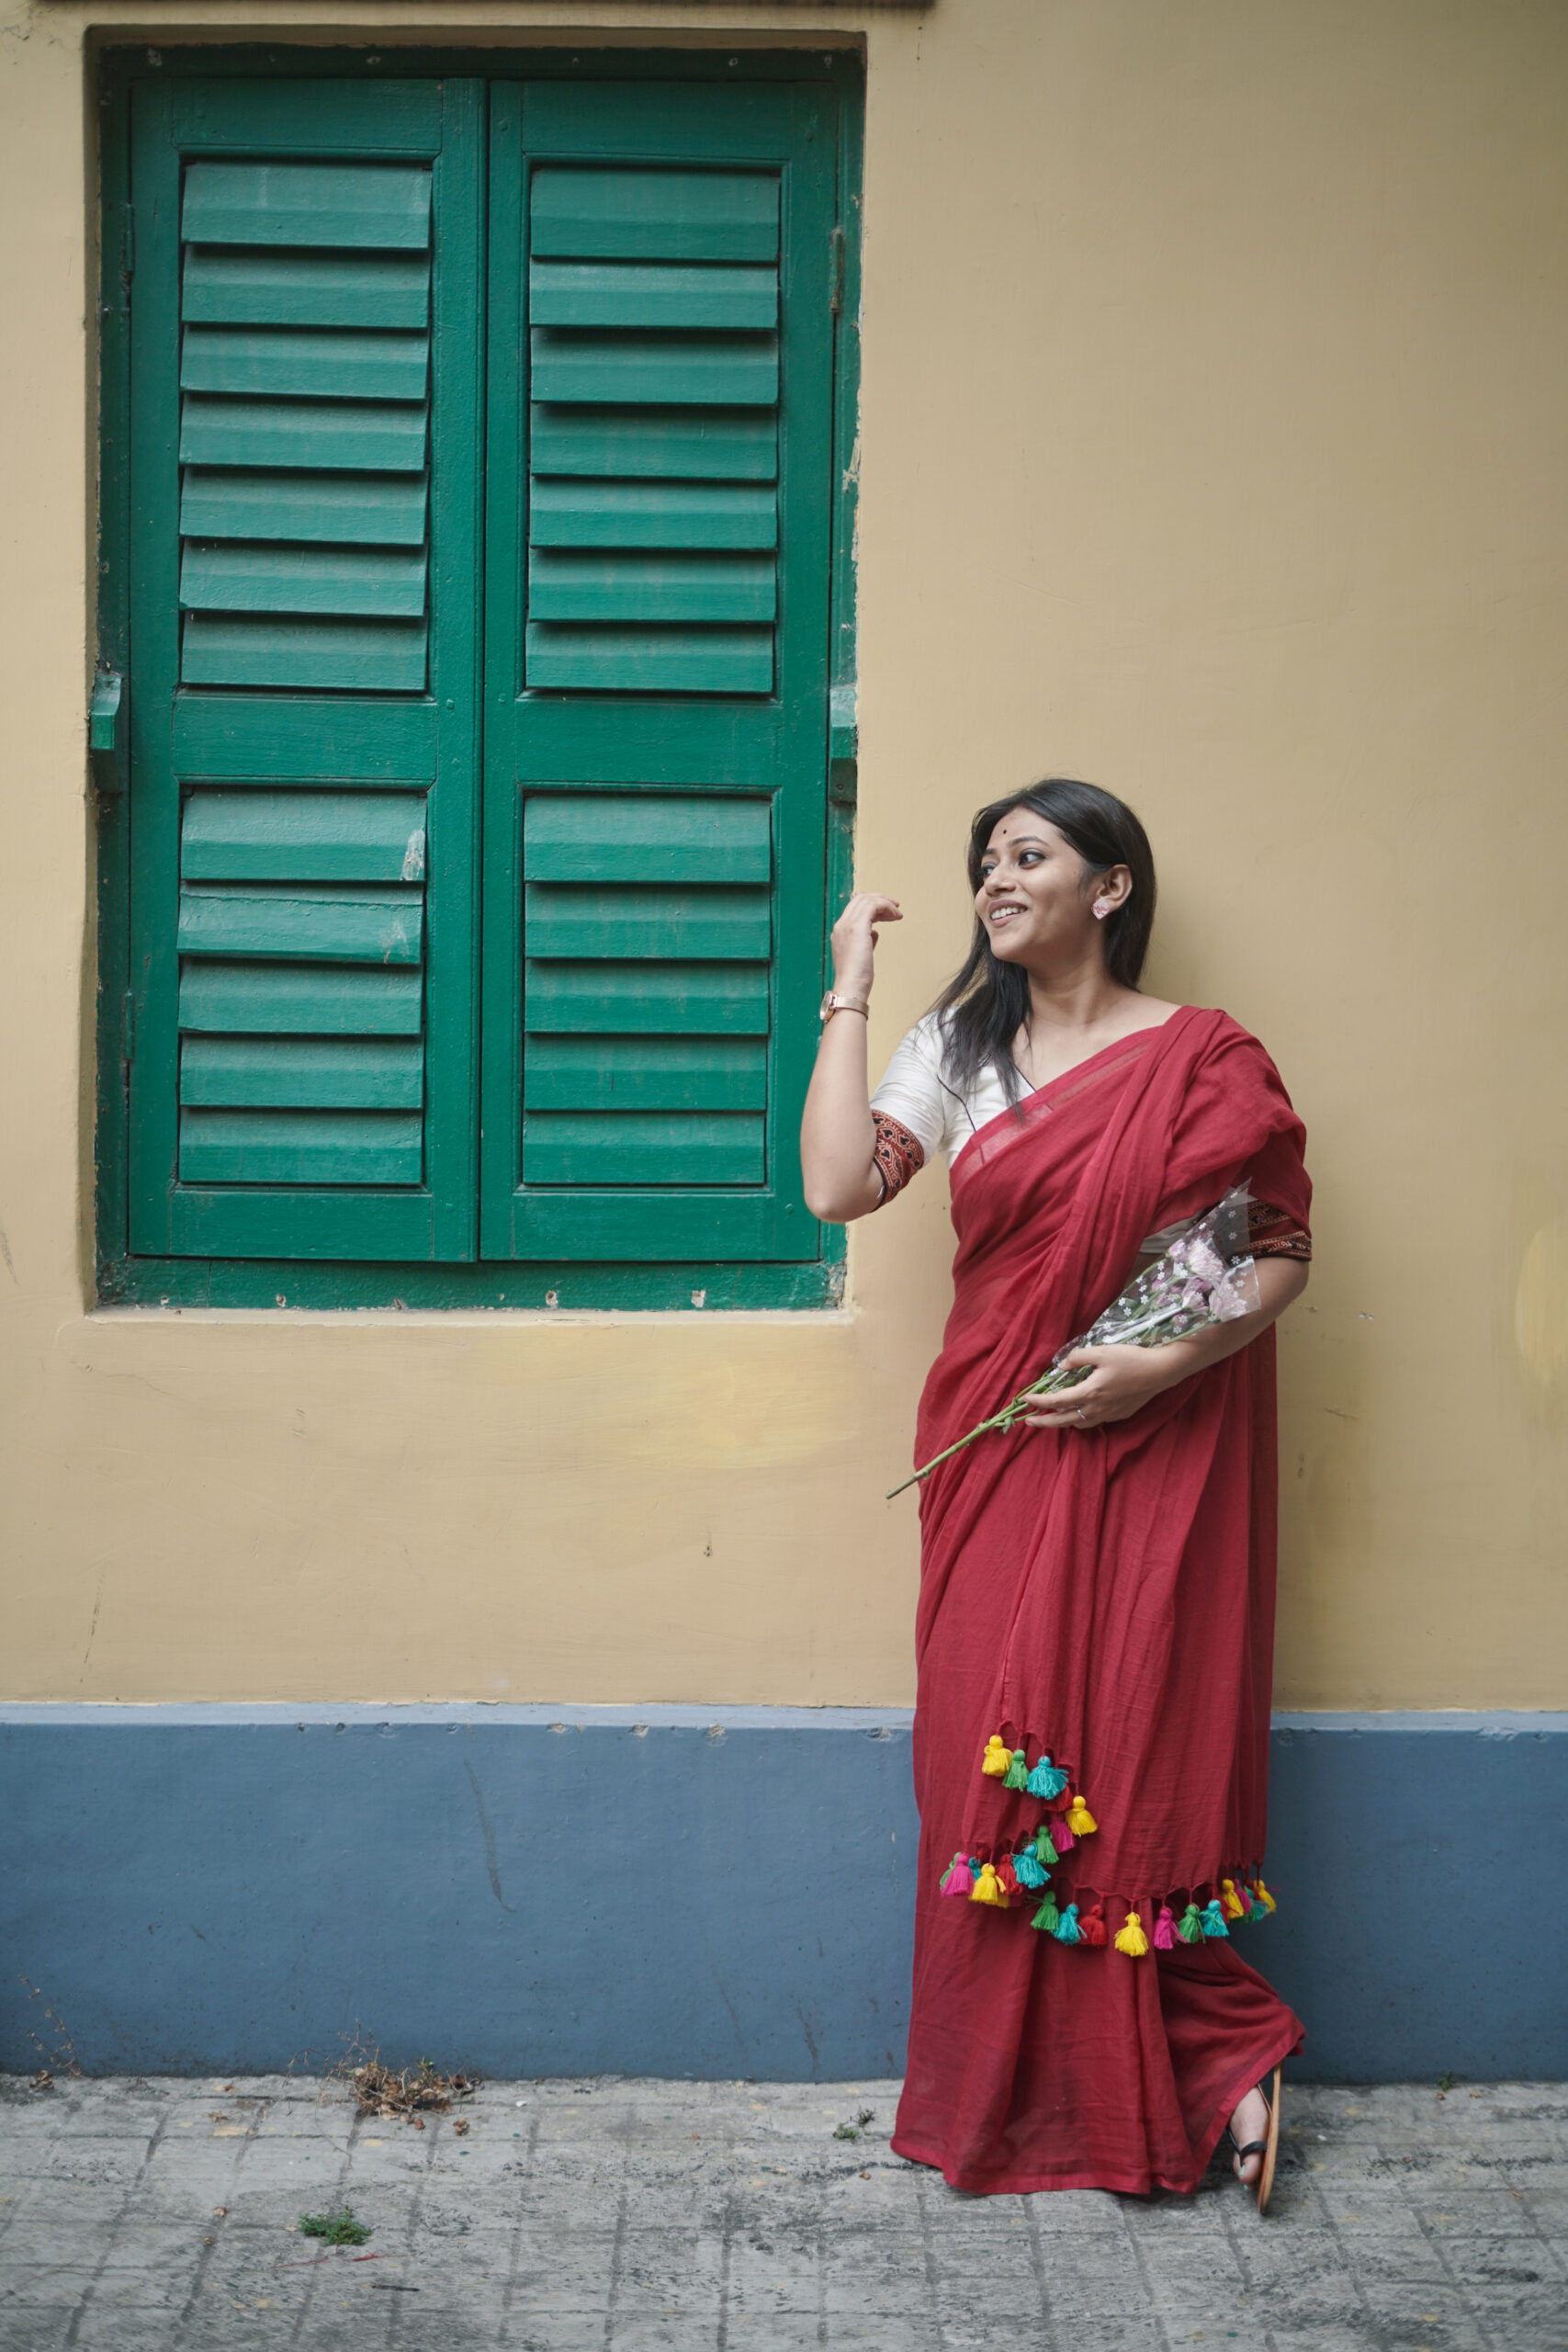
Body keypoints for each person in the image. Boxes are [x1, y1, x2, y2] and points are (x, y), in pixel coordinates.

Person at [800, 778, 1312, 2206]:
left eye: (1027, 855)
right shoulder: (962, 1051)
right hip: (996, 1442)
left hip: (1155, 1450)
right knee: (981, 1752)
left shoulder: (1202, 1060)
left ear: (1111, 887)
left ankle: (1207, 2065)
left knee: (1127, 1751)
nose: (992, 880)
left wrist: (1164, 1369)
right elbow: (840, 1187)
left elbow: (1278, 1251)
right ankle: (1078, 2082)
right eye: (983, 862)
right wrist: (851, 992)